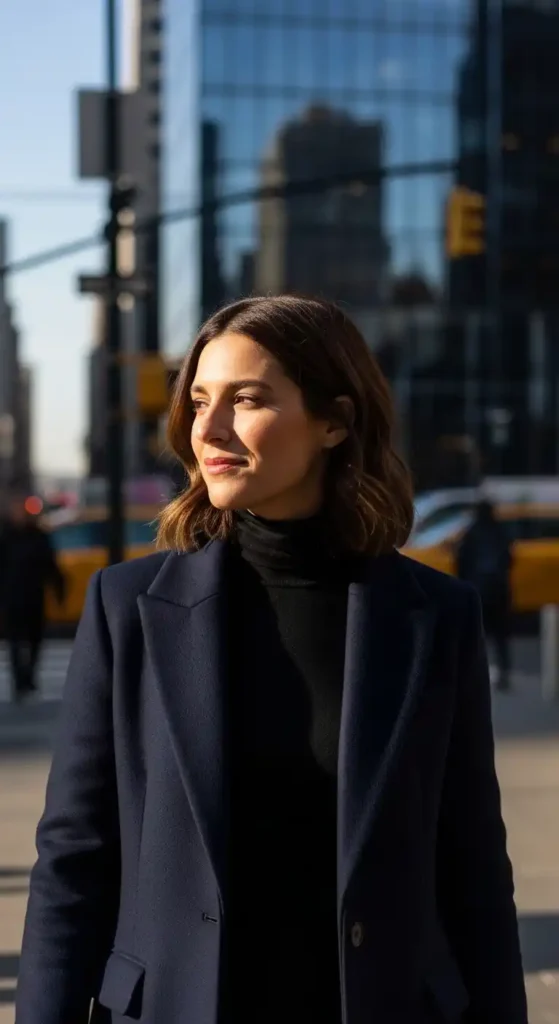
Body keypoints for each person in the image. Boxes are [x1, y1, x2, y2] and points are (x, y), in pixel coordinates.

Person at [16, 296, 527, 1024]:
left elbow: (472, 870)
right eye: (198, 402)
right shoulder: (127, 609)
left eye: (246, 399)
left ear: (335, 421)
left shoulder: (433, 619)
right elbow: (73, 864)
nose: (209, 431)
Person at [0, 495, 66, 701]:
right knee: (15, 641)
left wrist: (58, 591)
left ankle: (29, 677)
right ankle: (20, 680)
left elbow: (51, 566)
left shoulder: (39, 536)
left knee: (35, 639)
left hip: (34, 597)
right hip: (12, 598)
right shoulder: (6, 537)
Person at [457, 499, 513, 692]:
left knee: (476, 636)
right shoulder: (500, 532)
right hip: (499, 591)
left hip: (477, 591)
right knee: (501, 636)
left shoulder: (471, 533)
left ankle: (473, 675)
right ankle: (504, 671)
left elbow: (461, 562)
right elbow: (508, 559)